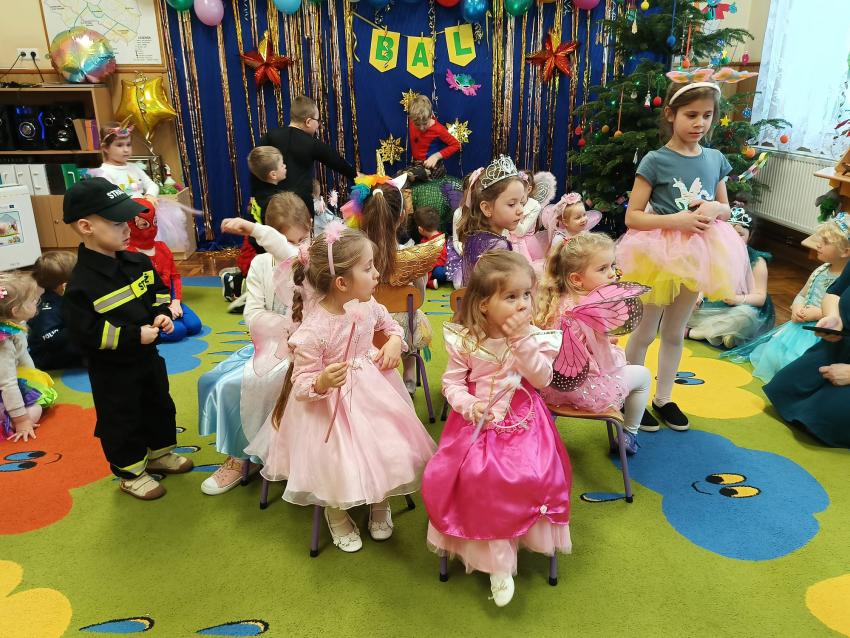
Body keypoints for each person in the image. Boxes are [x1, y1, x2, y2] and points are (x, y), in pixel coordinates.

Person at [245, 225, 436, 552]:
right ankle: (336, 512)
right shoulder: (313, 329)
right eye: (368, 268)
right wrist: (322, 381)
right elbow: (301, 383)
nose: (377, 274)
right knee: (335, 461)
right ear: (342, 283)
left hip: (373, 391)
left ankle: (380, 500)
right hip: (328, 405)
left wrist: (394, 341)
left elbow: (389, 325)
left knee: (388, 446)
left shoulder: (367, 303)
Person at [422, 251, 572, 608]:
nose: (522, 304)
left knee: (534, 472)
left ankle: (518, 537)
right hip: (475, 421)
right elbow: (452, 383)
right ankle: (497, 562)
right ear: (484, 304)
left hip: (524, 419)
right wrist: (469, 405)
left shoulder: (535, 337)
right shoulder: (466, 340)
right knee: (478, 475)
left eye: (526, 294)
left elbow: (542, 379)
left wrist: (522, 343)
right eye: (511, 296)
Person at [615, 74, 750, 432]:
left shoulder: (716, 158)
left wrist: (716, 209)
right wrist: (677, 220)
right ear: (671, 114)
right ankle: (631, 394)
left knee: (675, 331)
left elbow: (725, 207)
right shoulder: (655, 161)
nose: (700, 123)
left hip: (699, 253)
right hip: (657, 254)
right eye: (691, 115)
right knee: (646, 331)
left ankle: (664, 397)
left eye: (707, 115)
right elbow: (632, 217)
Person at [62, 177, 193, 500]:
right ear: (86, 227)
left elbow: (157, 292)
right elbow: (85, 334)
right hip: (113, 371)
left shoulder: (138, 262)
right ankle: (131, 472)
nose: (128, 228)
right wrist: (135, 336)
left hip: (148, 359)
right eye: (118, 223)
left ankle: (160, 453)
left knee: (159, 404)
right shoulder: (82, 284)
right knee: (122, 419)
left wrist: (161, 313)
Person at [198, 193, 312, 495]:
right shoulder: (261, 264)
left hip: (309, 350)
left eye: (301, 240)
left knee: (260, 383)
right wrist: (282, 327)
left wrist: (296, 331)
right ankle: (238, 454)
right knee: (220, 383)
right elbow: (253, 313)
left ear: (310, 228)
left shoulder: (313, 259)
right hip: (269, 346)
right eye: (287, 242)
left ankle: (269, 454)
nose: (295, 249)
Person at [535, 233, 652, 454]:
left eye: (612, 266)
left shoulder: (553, 303)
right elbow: (605, 361)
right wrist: (612, 345)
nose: (612, 273)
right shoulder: (594, 309)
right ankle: (629, 435)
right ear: (577, 279)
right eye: (602, 269)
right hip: (586, 389)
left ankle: (544, 427)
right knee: (643, 376)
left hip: (551, 387)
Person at [724, 214, 850, 381]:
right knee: (775, 354)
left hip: (820, 332)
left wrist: (818, 314)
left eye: (826, 242)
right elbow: (802, 294)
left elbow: (843, 311)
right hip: (798, 326)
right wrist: (797, 306)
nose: (818, 244)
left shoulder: (845, 281)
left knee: (797, 362)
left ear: (845, 251)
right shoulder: (821, 270)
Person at [352, 176, 439, 396]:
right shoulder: (412, 257)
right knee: (412, 316)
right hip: (402, 330)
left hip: (364, 327)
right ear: (402, 217)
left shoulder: (354, 259)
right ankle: (409, 374)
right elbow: (419, 298)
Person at [764, 259, 850, 448]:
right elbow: (834, 293)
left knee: (822, 416)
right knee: (782, 388)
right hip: (839, 345)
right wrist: (833, 317)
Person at [94, 122, 189, 256]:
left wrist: (150, 195)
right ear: (105, 148)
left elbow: (152, 185)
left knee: (149, 248)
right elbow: (110, 197)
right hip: (124, 220)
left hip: (144, 218)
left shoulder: (134, 168)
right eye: (119, 145)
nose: (126, 149)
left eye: (128, 144)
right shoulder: (104, 172)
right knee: (130, 250)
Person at [687, 205, 774, 348]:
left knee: (746, 316)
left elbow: (760, 298)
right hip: (709, 307)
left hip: (736, 308)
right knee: (681, 306)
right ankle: (721, 334)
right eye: (729, 232)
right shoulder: (712, 252)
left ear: (750, 235)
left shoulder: (757, 261)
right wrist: (698, 297)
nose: (733, 238)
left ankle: (694, 333)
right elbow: (702, 281)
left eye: (740, 234)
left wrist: (737, 299)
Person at [256, 95, 356, 218]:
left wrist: (259, 200)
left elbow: (256, 166)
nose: (318, 125)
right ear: (308, 122)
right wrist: (357, 176)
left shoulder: (269, 137)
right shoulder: (312, 143)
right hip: (300, 211)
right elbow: (338, 163)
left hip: (271, 209)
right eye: (317, 121)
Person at [126, 199, 202, 343]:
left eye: (154, 222)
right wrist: (161, 311)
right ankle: (146, 335)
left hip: (169, 299)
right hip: (150, 307)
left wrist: (176, 302)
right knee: (178, 331)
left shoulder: (162, 248)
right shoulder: (129, 254)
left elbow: (174, 277)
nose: (151, 229)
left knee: (194, 326)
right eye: (144, 224)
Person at [230, 146, 290, 312]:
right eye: (282, 164)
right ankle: (245, 294)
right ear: (273, 174)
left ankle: (239, 284)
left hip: (257, 244)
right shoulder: (273, 200)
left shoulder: (260, 193)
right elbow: (269, 229)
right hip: (261, 248)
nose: (285, 166)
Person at [0, 271, 54, 442]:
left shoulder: (15, 323)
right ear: (15, 311)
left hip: (10, 382)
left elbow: (23, 355)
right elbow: (7, 384)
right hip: (5, 387)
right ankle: (8, 421)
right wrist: (21, 421)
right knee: (35, 409)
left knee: (39, 393)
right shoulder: (4, 344)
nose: (37, 301)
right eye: (32, 300)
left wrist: (34, 381)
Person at [456, 155, 525, 285]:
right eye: (512, 204)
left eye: (522, 202)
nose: (520, 210)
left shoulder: (473, 236)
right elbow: (502, 289)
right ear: (487, 208)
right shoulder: (498, 245)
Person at [28, 251, 83, 370]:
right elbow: (50, 339)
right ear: (64, 286)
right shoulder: (47, 309)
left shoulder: (65, 297)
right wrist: (78, 325)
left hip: (64, 347)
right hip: (49, 358)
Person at [408, 94, 460, 178]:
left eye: (425, 123)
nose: (421, 128)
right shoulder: (412, 122)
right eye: (417, 124)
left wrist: (436, 156)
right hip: (417, 166)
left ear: (430, 116)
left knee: (409, 176)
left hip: (433, 167)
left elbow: (456, 145)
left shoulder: (438, 129)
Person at [414, 206, 448, 289]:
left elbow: (443, 259)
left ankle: (428, 283)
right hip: (428, 268)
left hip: (438, 268)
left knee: (440, 273)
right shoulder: (424, 240)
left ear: (420, 229)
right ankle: (429, 282)